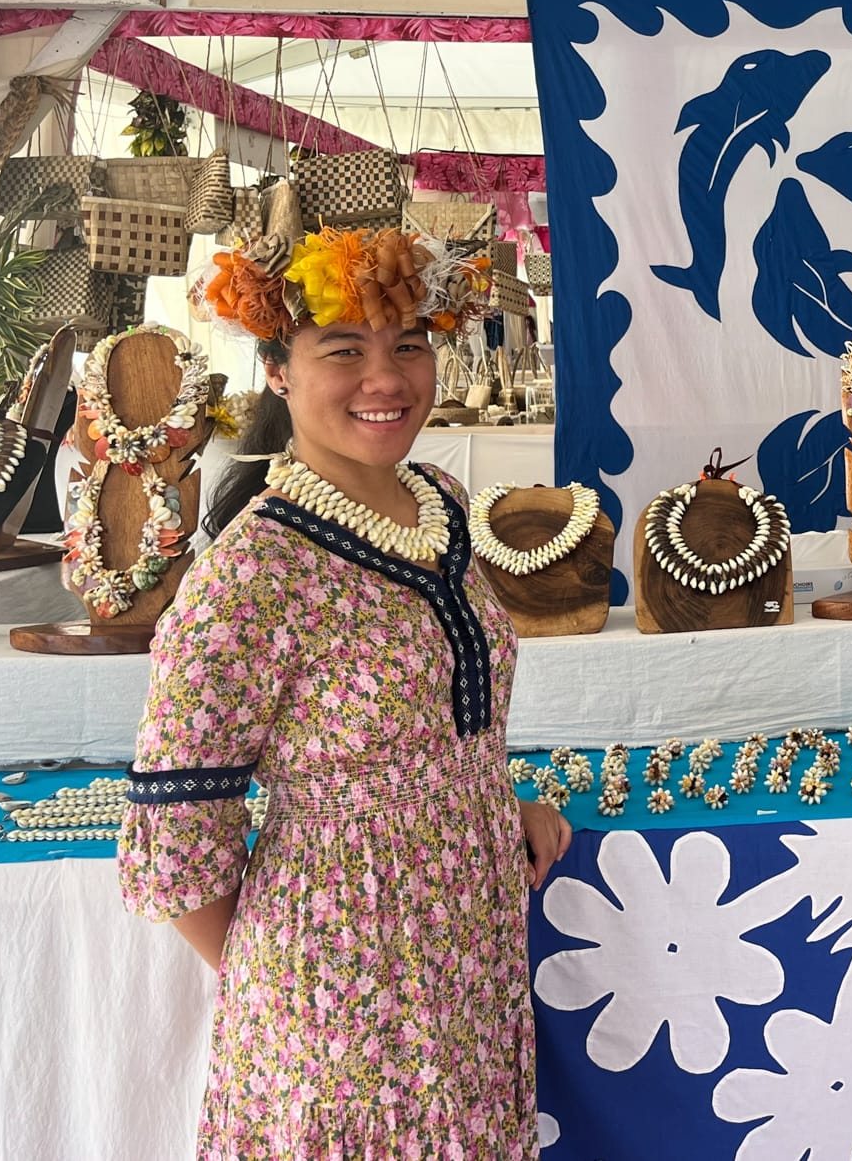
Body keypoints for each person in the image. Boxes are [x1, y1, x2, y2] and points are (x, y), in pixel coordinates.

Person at [118, 227, 570, 1158]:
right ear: (278, 371)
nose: (386, 377)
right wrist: (301, 982)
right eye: (344, 350)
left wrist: (493, 801)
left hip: (470, 975)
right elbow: (176, 845)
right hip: (339, 1013)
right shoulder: (252, 573)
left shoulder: (441, 501)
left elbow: (431, 727)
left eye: (408, 343)